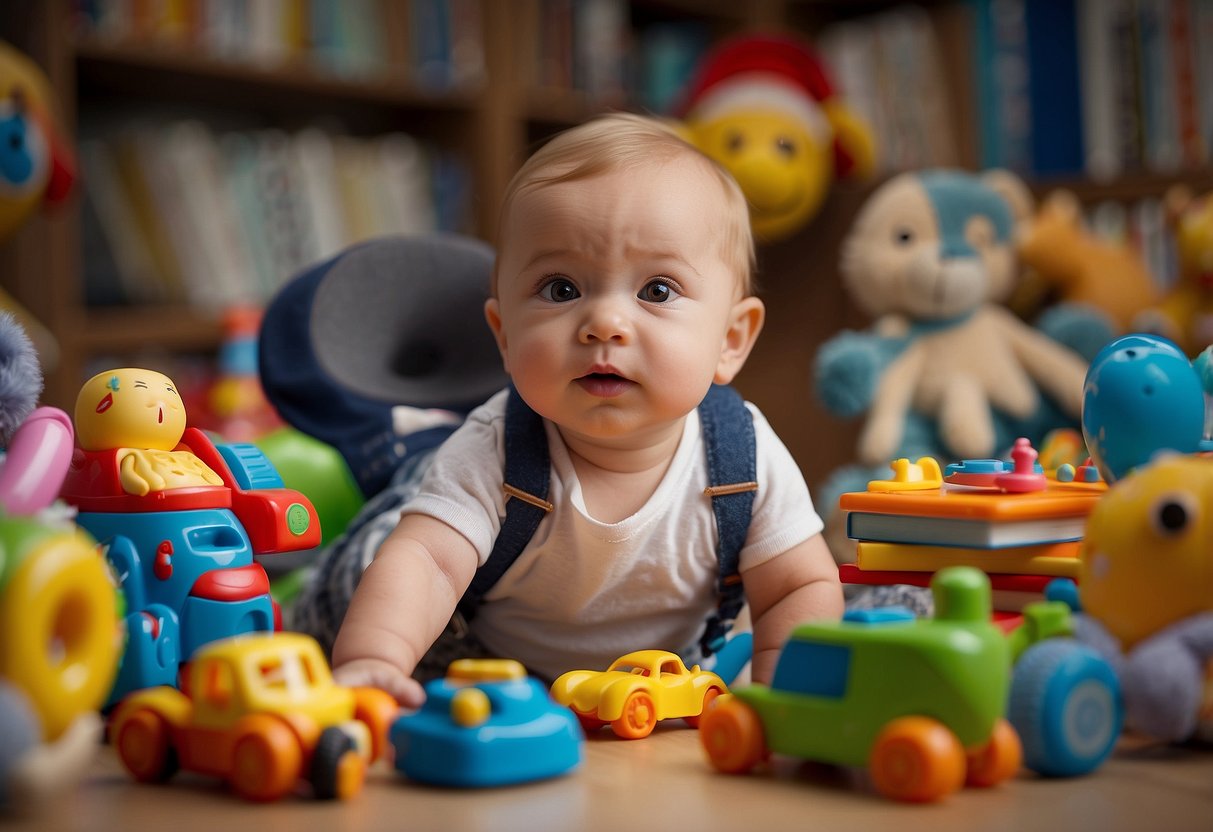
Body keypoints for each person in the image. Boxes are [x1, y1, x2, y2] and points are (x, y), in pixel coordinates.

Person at [321, 112, 843, 706]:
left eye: (657, 291)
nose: (605, 324)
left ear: (731, 340)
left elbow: (796, 588)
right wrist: (374, 659)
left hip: (659, 684)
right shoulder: (494, 445)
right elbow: (429, 565)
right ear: (505, 335)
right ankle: (396, 464)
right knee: (372, 564)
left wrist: (785, 707)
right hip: (490, 666)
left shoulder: (744, 456)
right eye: (561, 289)